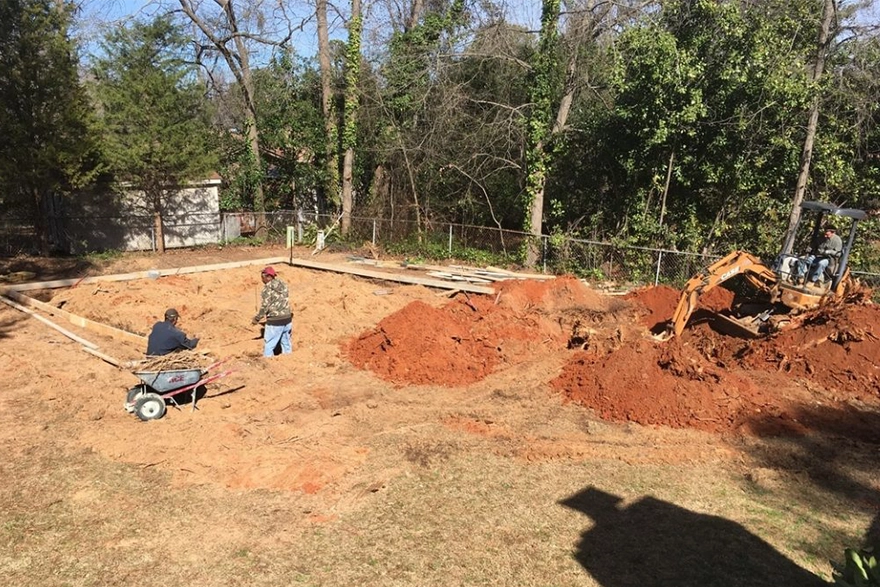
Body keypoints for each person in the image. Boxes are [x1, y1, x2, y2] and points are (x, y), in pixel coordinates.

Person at [252, 266, 292, 357]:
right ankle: (288, 360)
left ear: (268, 277)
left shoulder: (267, 288)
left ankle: (268, 361)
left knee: (269, 345)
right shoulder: (283, 284)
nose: (262, 280)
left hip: (275, 321)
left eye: (262, 277)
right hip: (287, 319)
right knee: (286, 343)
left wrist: (257, 319)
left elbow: (265, 307)